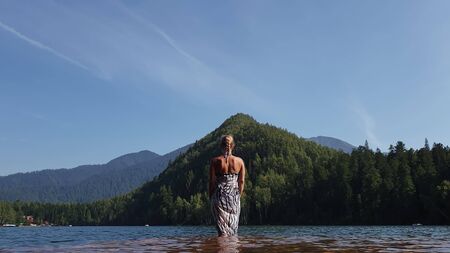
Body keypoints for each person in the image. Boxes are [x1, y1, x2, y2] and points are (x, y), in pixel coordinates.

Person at [209, 135, 246, 236]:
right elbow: (241, 182)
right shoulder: (240, 161)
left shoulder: (215, 161)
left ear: (221, 145)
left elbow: (212, 182)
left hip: (219, 197)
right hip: (233, 197)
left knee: (222, 232)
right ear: (233, 146)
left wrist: (211, 197)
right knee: (232, 232)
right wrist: (238, 197)